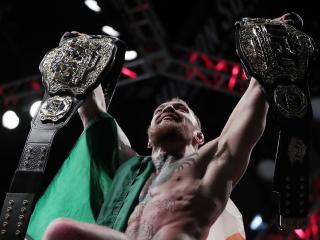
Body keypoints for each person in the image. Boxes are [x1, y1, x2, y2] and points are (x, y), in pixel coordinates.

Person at [26, 12, 299, 240]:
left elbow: (244, 124)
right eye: (161, 110)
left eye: (181, 109)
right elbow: (94, 113)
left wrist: (266, 62)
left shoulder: (211, 164)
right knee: (60, 231)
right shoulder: (127, 169)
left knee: (61, 230)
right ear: (147, 140)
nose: (168, 108)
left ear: (199, 136)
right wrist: (79, 62)